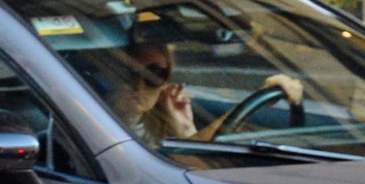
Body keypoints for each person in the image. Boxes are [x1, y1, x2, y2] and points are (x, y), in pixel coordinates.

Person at [102, 27, 303, 148]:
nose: (139, 83)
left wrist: (185, 129)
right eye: (129, 73)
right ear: (113, 73)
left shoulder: (160, 122)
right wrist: (124, 116)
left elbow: (195, 165)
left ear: (166, 80)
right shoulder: (94, 117)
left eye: (153, 74)